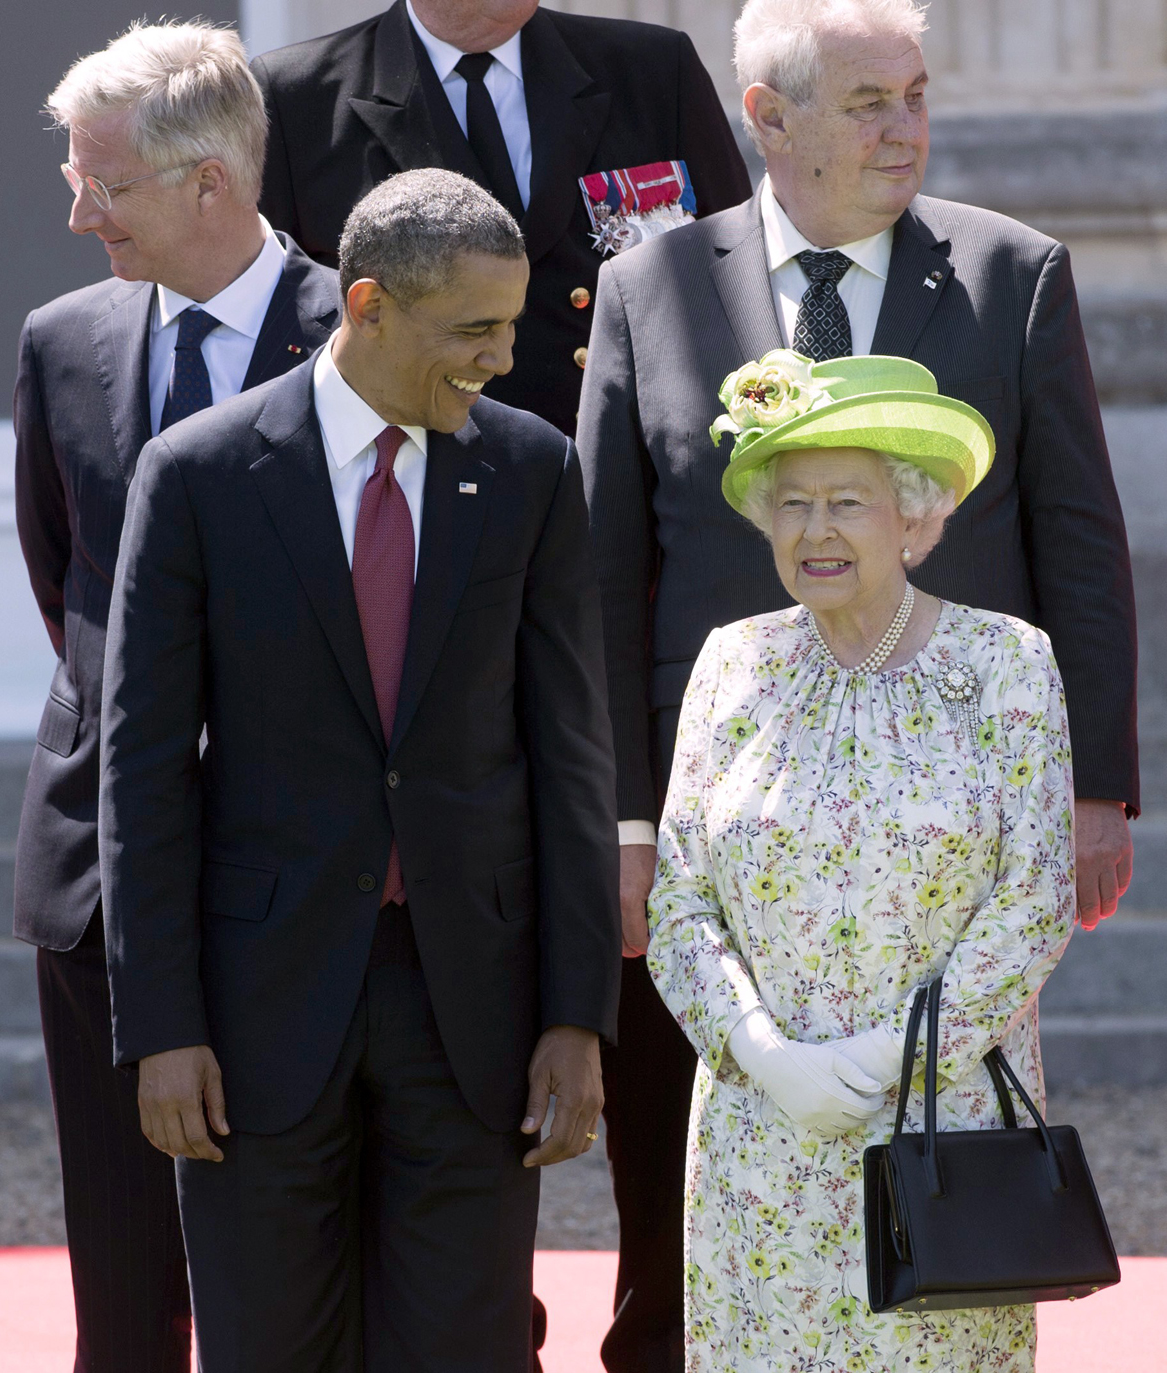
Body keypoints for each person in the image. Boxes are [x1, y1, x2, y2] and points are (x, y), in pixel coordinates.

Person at [577, 4, 1135, 1354]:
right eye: (871, 100)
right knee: (695, 1168)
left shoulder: (1014, 271)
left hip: (949, 813)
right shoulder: (652, 284)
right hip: (735, 809)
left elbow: (1077, 531)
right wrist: (628, 819)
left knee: (940, 1162)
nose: (908, 127)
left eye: (917, 94)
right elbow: (601, 568)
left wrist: (1097, 790)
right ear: (768, 117)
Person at [97, 168, 621, 1373]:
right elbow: (143, 770)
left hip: (473, 1005)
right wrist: (162, 1022)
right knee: (269, 1342)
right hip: (255, 1013)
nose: (501, 357)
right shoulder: (198, 473)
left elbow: (569, 752)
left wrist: (573, 1011)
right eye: (473, 330)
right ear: (371, 303)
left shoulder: (532, 469)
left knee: (466, 1346)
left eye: (512, 324)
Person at [12, 23, 340, 1372]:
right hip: (101, 874)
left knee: (297, 1271)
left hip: (306, 882)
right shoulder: (62, 340)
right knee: (124, 1282)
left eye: (106, 183)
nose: (79, 211)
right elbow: (70, 584)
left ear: (212, 181)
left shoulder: (358, 340)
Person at [647, 348, 1076, 1371]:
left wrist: (890, 1061)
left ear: (915, 516)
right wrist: (767, 1056)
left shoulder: (1006, 663)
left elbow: (1037, 896)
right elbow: (679, 900)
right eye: (791, 503)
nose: (816, 530)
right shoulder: (732, 661)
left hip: (940, 1132)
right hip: (764, 1140)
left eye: (849, 500)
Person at [250, 0, 751, 439]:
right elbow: (283, 320)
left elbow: (738, 270)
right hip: (422, 480)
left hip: (621, 471)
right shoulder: (298, 98)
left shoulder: (654, 69)